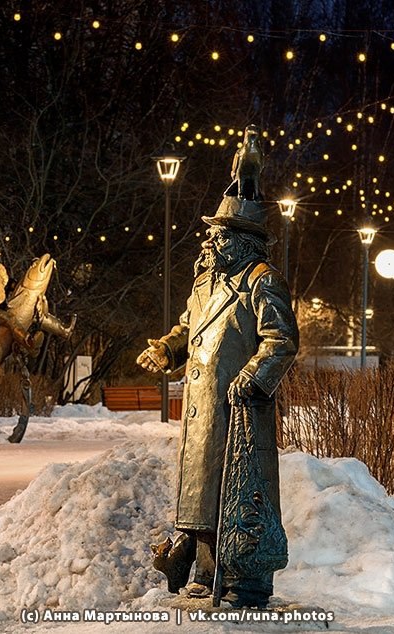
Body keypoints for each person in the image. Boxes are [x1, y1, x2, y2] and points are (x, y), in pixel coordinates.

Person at [137, 195, 298, 608]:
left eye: (220, 234)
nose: (210, 241)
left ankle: (248, 580)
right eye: (211, 233)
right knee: (203, 492)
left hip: (238, 406)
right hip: (202, 407)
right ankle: (206, 572)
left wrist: (252, 376)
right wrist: (167, 349)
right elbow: (188, 328)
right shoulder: (205, 282)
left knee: (240, 491)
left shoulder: (262, 280)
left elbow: (282, 340)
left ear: (245, 241)